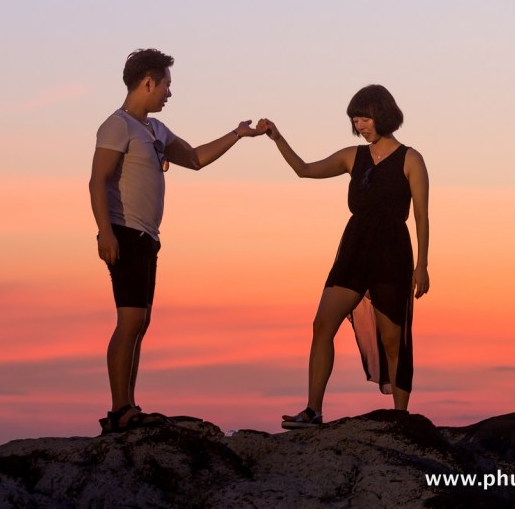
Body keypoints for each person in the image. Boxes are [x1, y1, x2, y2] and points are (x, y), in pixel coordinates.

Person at [89, 48, 262, 433]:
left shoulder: (154, 131)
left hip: (147, 237)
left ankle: (128, 406)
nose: (169, 93)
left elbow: (197, 158)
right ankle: (120, 409)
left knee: (140, 322)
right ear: (148, 82)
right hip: (124, 232)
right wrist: (104, 231)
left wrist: (238, 134)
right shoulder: (117, 126)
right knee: (130, 319)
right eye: (167, 85)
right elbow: (97, 180)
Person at [257, 84, 430, 428]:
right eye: (355, 120)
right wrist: (277, 138)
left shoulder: (411, 159)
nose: (359, 126)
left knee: (393, 339)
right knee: (322, 324)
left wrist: (422, 265)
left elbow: (423, 216)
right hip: (354, 249)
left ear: (381, 114)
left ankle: (400, 418)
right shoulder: (353, 156)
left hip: (392, 252)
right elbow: (304, 169)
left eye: (363, 118)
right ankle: (313, 411)